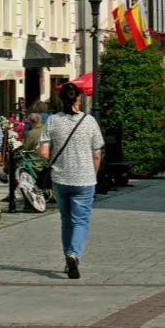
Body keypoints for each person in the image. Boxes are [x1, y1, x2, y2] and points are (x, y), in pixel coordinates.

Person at [38, 82, 104, 279]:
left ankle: (68, 258)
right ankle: (74, 254)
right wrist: (93, 173)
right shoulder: (89, 121)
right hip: (85, 179)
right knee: (80, 220)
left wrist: (56, 163)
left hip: (61, 178)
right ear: (79, 98)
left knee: (66, 221)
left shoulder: (52, 121)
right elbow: (97, 154)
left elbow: (42, 151)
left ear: (61, 99)